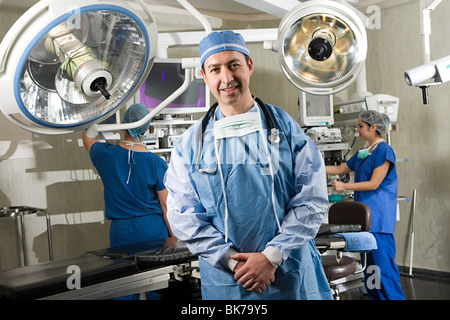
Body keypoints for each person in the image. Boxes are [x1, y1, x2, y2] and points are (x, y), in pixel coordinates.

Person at [164, 30, 332, 300]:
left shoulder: (285, 129)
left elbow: (312, 199)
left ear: (249, 66)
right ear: (204, 76)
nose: (226, 78)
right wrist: (234, 262)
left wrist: (271, 256)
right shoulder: (190, 145)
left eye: (234, 65)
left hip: (288, 271)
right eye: (215, 69)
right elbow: (184, 216)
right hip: (229, 279)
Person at [83, 104, 173, 299]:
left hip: (122, 231)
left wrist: (95, 108)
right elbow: (166, 207)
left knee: (123, 287)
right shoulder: (157, 163)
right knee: (157, 284)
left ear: (123, 127)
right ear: (147, 128)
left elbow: (87, 137)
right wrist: (173, 237)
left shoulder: (105, 154)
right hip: (153, 229)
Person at [325, 110, 404, 300]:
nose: (357, 130)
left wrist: (344, 185)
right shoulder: (364, 152)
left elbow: (374, 183)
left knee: (383, 270)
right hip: (365, 221)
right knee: (370, 270)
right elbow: (339, 168)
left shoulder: (384, 150)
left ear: (373, 127)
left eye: (360, 126)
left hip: (379, 219)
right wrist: (311, 163)